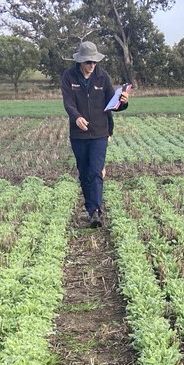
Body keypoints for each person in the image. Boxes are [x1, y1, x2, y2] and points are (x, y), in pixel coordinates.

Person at [61, 41, 130, 228]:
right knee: (84, 173)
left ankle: (95, 211)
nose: (92, 65)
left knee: (96, 171)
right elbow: (68, 103)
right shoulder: (69, 77)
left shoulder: (103, 77)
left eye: (94, 62)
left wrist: (123, 102)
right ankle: (91, 206)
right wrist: (76, 117)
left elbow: (113, 104)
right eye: (88, 62)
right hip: (78, 134)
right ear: (80, 61)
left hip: (100, 132)